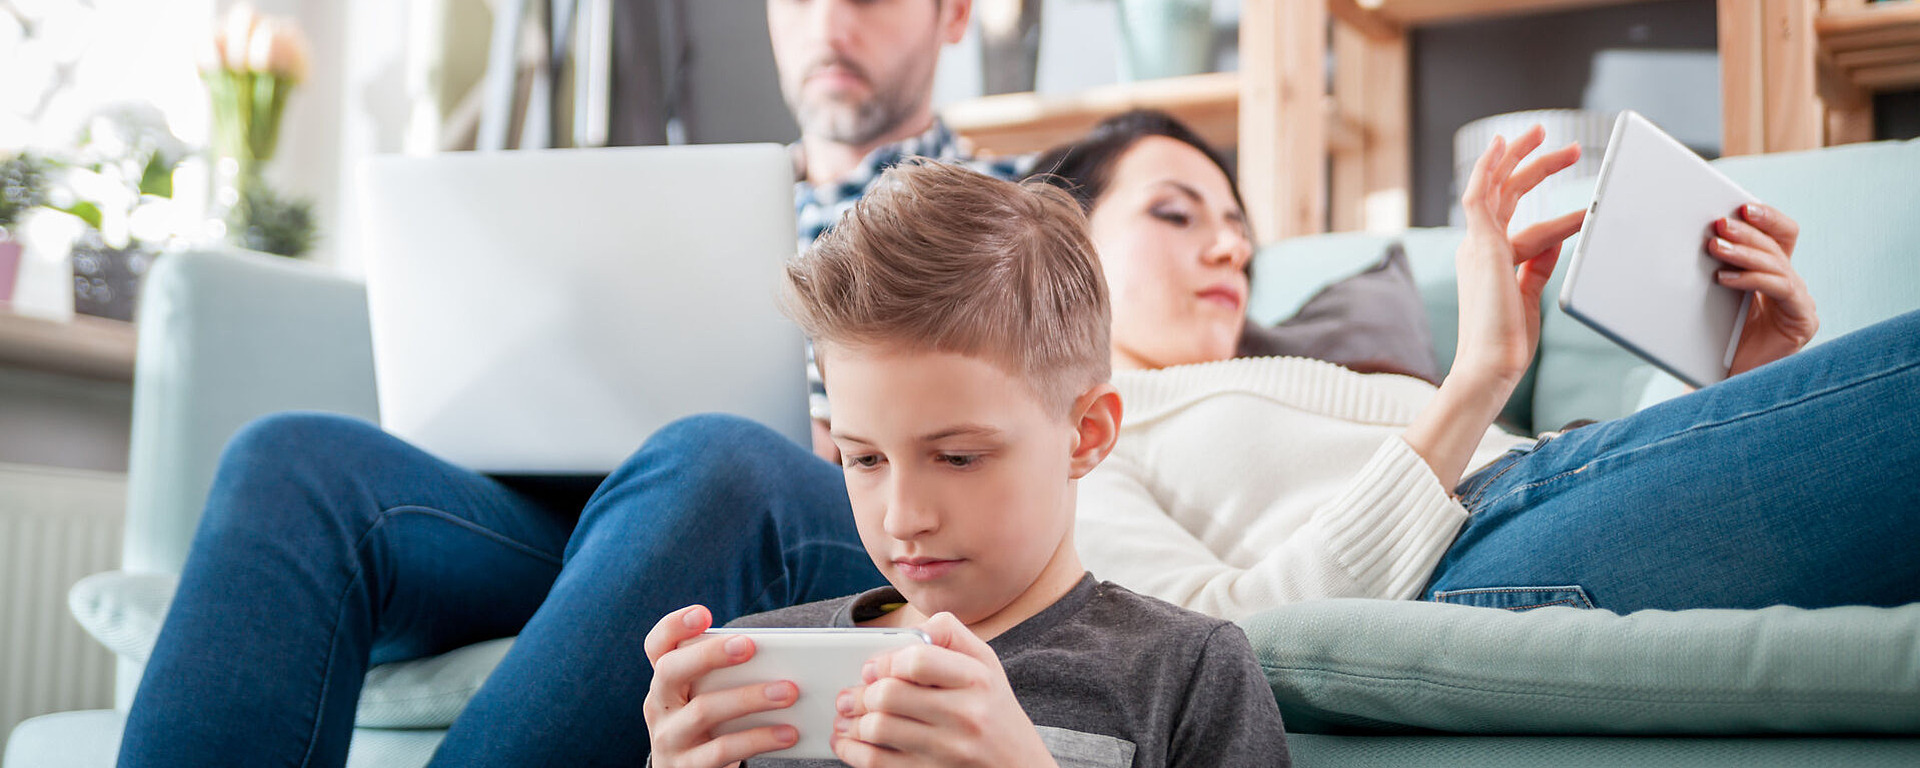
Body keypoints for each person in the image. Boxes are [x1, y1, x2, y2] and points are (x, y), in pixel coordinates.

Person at [121, 1, 1006, 765]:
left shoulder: (1017, 213)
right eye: (799, 2)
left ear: (954, 14)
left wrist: (862, 443)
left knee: (714, 458)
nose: (830, 26)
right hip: (621, 513)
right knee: (292, 459)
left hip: (822, 509)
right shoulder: (689, 202)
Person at [1030, 110, 1919, 617]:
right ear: (1061, 244)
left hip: (1535, 495)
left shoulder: (1298, 377)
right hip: (1462, 560)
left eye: (1238, 228)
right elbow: (1219, 637)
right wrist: (1474, 383)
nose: (1228, 248)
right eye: (1177, 216)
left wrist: (1745, 375)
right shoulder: (1077, 441)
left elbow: (1558, 481)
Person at [641, 159, 1288, 768]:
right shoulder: (755, 674)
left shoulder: (1187, 672)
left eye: (957, 457)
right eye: (863, 457)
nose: (903, 517)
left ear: (1086, 433)